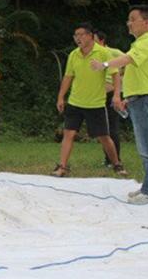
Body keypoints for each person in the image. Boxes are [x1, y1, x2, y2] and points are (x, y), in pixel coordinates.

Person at [91, 5, 148, 204]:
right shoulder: (140, 43)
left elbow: (127, 59)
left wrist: (104, 64)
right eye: (128, 19)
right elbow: (134, 74)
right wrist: (126, 100)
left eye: (132, 19)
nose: (128, 23)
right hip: (139, 100)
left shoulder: (146, 42)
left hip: (146, 100)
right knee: (144, 148)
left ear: (145, 22)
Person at [53, 23, 127, 178]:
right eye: (75, 36)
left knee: (104, 137)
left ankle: (117, 164)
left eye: (81, 35)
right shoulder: (74, 54)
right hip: (75, 102)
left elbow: (115, 75)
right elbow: (68, 77)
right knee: (68, 134)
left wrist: (116, 95)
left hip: (96, 104)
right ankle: (63, 166)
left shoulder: (103, 53)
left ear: (90, 36)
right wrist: (61, 96)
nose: (77, 38)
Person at [93, 30, 125, 167]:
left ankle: (115, 160)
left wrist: (122, 80)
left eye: (93, 39)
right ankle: (108, 158)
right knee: (102, 129)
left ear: (101, 40)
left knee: (112, 127)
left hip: (112, 95)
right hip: (98, 95)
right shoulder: (92, 56)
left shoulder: (114, 52)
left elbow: (131, 62)